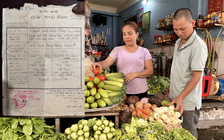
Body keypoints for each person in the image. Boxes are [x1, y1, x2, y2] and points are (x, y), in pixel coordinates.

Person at [166, 8, 207, 138]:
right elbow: (180, 70)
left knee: (187, 134)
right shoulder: (178, 42)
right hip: (176, 98)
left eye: (182, 29)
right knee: (175, 133)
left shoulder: (198, 46)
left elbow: (196, 77)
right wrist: (171, 86)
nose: (179, 33)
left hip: (187, 103)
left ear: (192, 23)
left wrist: (181, 97)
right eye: (175, 29)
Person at [90, 21, 153, 99]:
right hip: (122, 91)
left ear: (136, 34)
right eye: (124, 34)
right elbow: (106, 62)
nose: (126, 37)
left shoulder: (144, 51)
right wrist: (99, 64)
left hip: (141, 91)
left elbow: (150, 70)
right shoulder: (117, 50)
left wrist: (134, 74)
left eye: (130, 34)